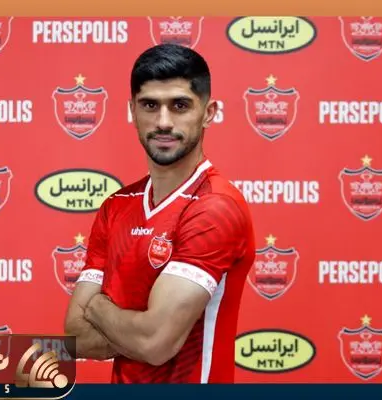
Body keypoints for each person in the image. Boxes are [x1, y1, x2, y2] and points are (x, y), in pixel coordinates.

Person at [63, 43, 256, 384]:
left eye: (180, 105)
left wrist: (98, 308)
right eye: (150, 105)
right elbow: (76, 336)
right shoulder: (117, 206)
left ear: (208, 112)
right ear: (132, 110)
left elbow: (155, 343)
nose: (164, 122)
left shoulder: (216, 207)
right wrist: (138, 327)